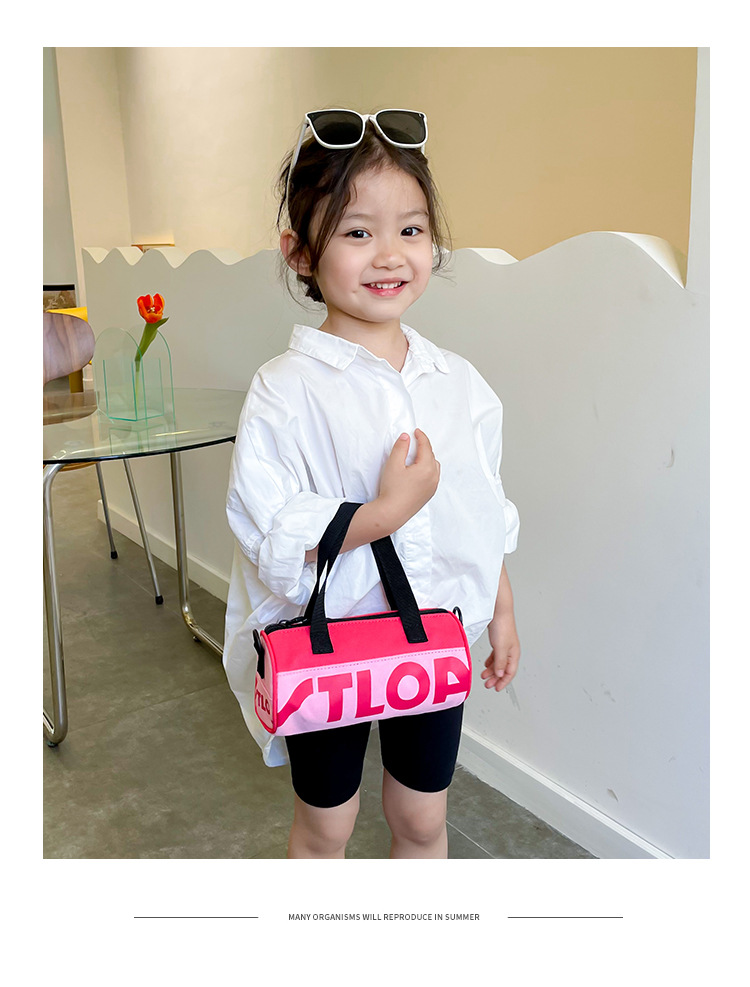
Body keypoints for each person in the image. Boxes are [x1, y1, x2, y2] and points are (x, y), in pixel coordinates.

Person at [223, 108, 520, 859]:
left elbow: (480, 512)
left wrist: (502, 610)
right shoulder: (284, 389)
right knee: (327, 825)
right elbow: (270, 532)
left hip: (434, 637)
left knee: (422, 819)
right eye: (357, 232)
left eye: (410, 229)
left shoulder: (457, 381)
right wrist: (387, 512)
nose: (389, 254)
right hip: (327, 645)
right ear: (299, 251)